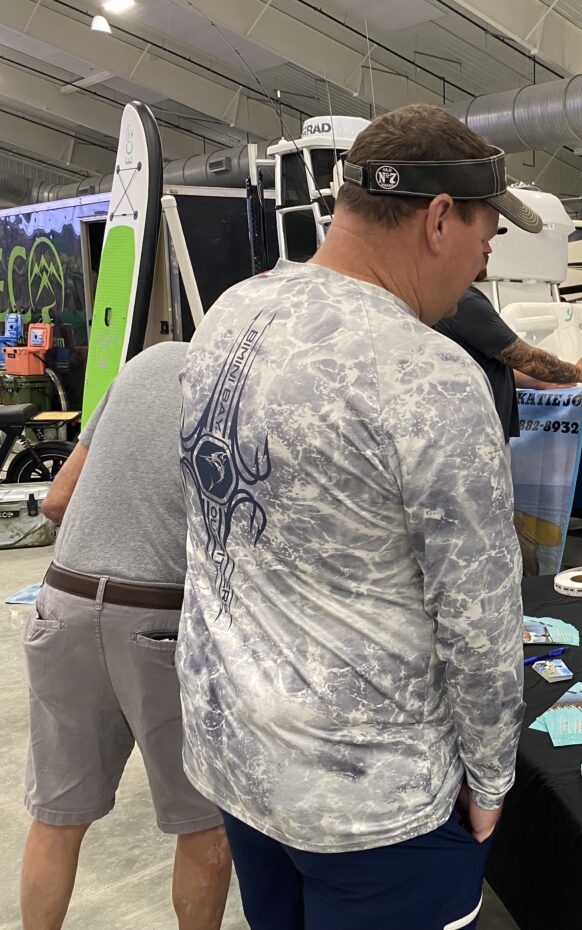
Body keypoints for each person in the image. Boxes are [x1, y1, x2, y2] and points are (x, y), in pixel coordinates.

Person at [177, 104, 531, 930]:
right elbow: (479, 615)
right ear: (438, 219)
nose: (481, 265)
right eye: (486, 239)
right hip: (373, 797)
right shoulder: (429, 373)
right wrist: (491, 778)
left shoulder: (229, 316)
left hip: (239, 756)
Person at [21, 341, 231, 930]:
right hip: (161, 615)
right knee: (204, 823)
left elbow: (58, 500)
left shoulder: (146, 364)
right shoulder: (250, 383)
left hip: (61, 604)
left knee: (57, 816)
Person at [434, 273, 582, 442]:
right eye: (482, 250)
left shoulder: (448, 297)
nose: (487, 255)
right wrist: (579, 372)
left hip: (466, 430)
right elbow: (526, 358)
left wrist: (538, 381)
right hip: (475, 435)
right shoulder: (463, 300)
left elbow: (492, 363)